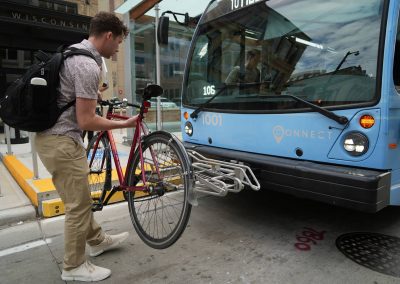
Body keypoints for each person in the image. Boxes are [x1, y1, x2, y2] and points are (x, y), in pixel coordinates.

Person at [35, 12, 138, 282]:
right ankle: (73, 267)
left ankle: (97, 240)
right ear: (108, 36)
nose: (117, 48)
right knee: (78, 207)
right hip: (62, 142)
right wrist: (125, 124)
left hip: (51, 140)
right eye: (118, 42)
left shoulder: (74, 53)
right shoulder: (87, 65)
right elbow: (87, 120)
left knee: (76, 200)